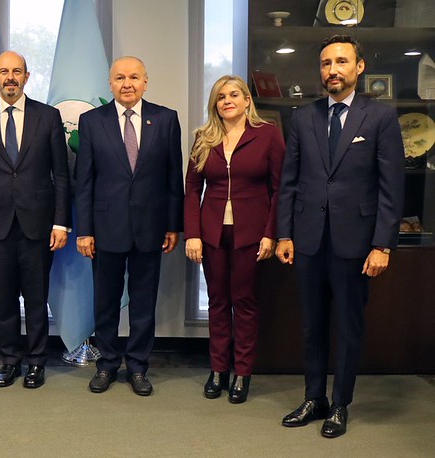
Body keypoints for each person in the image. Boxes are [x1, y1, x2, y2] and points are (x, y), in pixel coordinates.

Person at [276, 35, 404, 438]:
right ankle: (315, 398)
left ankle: (341, 404)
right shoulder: (303, 117)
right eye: (326, 63)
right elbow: (289, 183)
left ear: (359, 67)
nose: (333, 69)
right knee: (312, 325)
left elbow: (391, 187)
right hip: (309, 240)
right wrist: (284, 234)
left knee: (348, 327)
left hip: (356, 242)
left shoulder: (381, 117)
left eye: (341, 62)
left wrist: (382, 243)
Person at [75, 56, 184, 396]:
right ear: (110, 83)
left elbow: (172, 177)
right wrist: (84, 229)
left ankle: (137, 366)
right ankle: (107, 364)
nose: (127, 84)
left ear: (145, 82)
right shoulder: (92, 121)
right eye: (120, 78)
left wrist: (173, 225)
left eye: (134, 77)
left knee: (143, 302)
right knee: (104, 302)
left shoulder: (165, 119)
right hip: (105, 227)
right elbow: (85, 180)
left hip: (150, 227)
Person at [0, 51, 71, 389]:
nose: (10, 77)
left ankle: (37, 361)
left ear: (27, 76)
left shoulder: (48, 117)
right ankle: (10, 360)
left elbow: (62, 176)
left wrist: (60, 223)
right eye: (4, 71)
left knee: (37, 298)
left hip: (38, 225)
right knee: (5, 297)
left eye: (17, 72)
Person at [184, 75, 285, 403]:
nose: (227, 100)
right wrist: (193, 234)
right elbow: (191, 189)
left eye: (233, 95)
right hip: (212, 233)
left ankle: (242, 372)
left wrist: (272, 233)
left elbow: (279, 188)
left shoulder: (267, 135)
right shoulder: (203, 138)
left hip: (251, 234)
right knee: (217, 302)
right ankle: (218, 369)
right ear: (215, 104)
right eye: (220, 97)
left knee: (244, 302)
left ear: (246, 101)